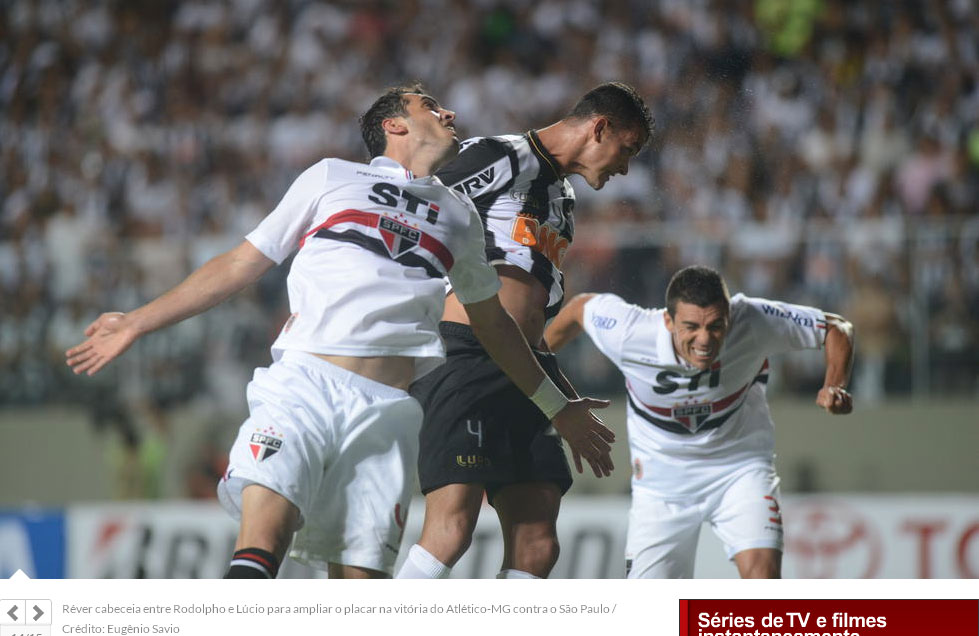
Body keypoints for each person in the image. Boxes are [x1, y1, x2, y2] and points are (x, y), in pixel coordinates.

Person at [65, 83, 615, 579]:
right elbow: (239, 265)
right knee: (261, 545)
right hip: (304, 386)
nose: (448, 111)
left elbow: (494, 327)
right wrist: (137, 321)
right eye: (428, 104)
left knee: (360, 594)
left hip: (390, 414)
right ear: (395, 125)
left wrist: (555, 404)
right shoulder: (332, 176)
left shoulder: (458, 217)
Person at [396, 82, 653, 579]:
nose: (625, 167)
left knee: (537, 543)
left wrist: (562, 394)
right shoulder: (503, 156)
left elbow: (533, 306)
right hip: (465, 356)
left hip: (528, 368)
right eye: (627, 149)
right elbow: (413, 211)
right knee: (452, 529)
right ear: (599, 128)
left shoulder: (562, 198)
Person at [543, 265, 854, 578]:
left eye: (716, 326)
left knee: (763, 578)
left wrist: (834, 385)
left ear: (730, 316)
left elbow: (836, 328)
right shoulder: (630, 331)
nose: (704, 339)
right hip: (661, 486)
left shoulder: (754, 319)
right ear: (667, 320)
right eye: (691, 327)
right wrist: (538, 377)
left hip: (739, 469)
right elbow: (578, 310)